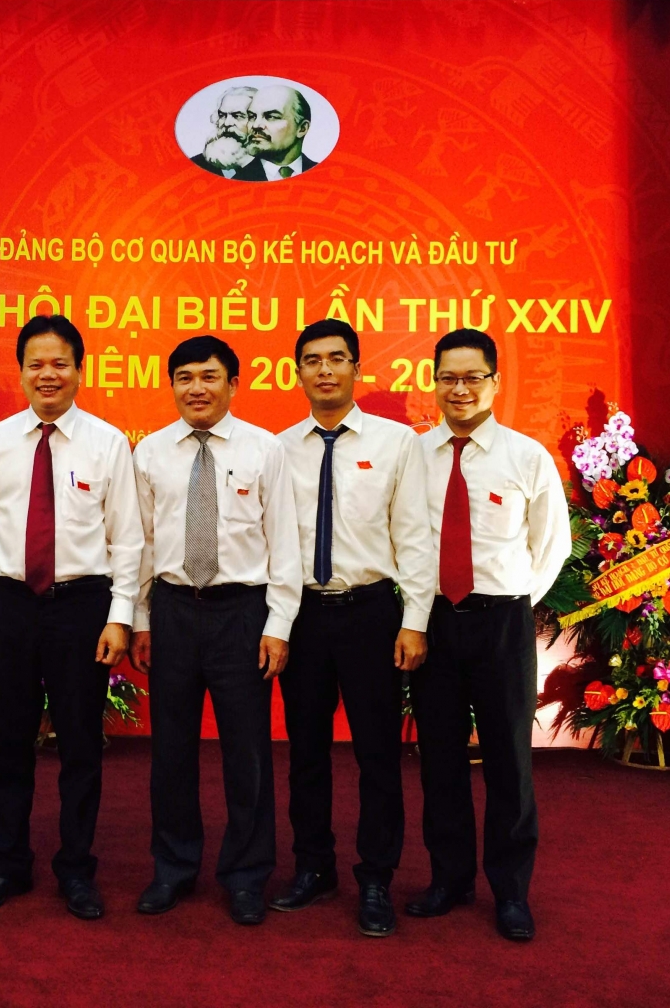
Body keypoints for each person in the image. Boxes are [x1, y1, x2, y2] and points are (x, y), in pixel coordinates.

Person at [0, 315, 143, 921]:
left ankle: (76, 869)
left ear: (80, 371)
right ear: (20, 372)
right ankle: (7, 865)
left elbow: (127, 538)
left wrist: (119, 616)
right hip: (8, 603)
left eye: (59, 363)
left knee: (81, 744)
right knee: (7, 742)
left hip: (81, 606)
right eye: (35, 364)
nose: (47, 374)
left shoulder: (107, 443)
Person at [130, 336, 301, 926]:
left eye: (209, 376)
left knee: (246, 753)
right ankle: (172, 868)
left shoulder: (265, 449)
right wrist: (141, 618)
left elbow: (285, 541)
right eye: (184, 377)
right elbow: (142, 543)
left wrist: (278, 624)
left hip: (242, 614)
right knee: (170, 751)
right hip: (174, 610)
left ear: (233, 383)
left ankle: (246, 875)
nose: (196, 388)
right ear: (171, 385)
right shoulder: (151, 452)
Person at [273, 319, 435, 937]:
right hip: (304, 616)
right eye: (312, 360)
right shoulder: (279, 449)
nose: (324, 370)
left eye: (336, 358)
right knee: (305, 752)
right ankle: (313, 867)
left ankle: (376, 879)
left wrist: (414, 621)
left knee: (377, 754)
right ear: (297, 372)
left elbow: (413, 537)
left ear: (357, 368)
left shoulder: (398, 444)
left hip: (371, 613)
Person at [408, 330, 570, 942]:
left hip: (502, 621)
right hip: (435, 623)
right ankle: (449, 879)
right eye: (448, 377)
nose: (460, 389)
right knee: (440, 759)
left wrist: (512, 601)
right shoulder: (416, 454)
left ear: (495, 382)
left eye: (473, 377)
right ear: (434, 383)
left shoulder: (526, 457)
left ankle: (511, 892)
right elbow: (408, 539)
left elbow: (552, 547)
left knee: (509, 761)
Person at [233, 85, 320, 182]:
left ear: (302, 128)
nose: (256, 125)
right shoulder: (238, 181)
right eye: (252, 117)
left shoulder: (322, 174)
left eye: (271, 117)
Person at [190, 86, 257, 178]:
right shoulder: (195, 165)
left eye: (237, 116)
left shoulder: (270, 166)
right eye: (222, 115)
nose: (227, 123)